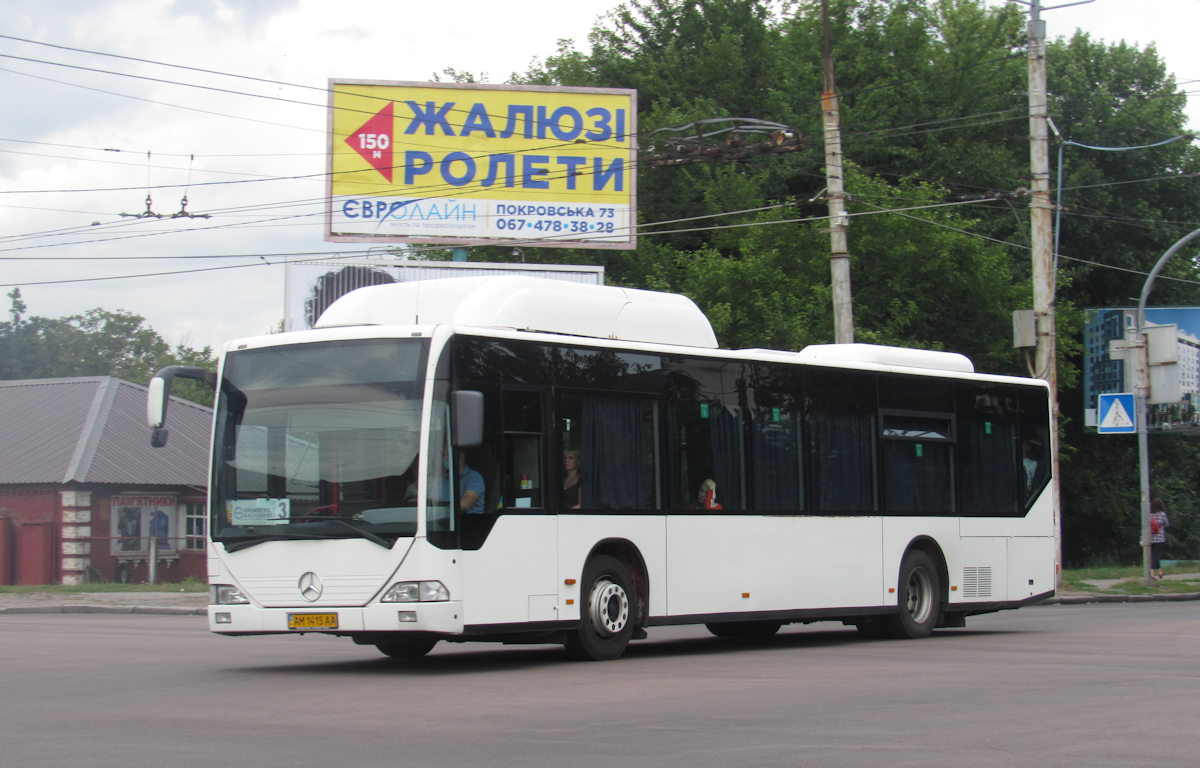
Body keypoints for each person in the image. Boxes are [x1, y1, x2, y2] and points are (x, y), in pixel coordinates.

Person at [439, 449, 486, 515]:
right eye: (443, 456)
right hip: (446, 520)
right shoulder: (443, 479)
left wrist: (441, 510)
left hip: (470, 521)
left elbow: (465, 504)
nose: (444, 459)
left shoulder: (474, 477)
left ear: (461, 457)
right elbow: (434, 502)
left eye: (447, 455)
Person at [1150, 498, 1170, 580]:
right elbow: (1167, 524)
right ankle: (1151, 573)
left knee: (1154, 556)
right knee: (1155, 556)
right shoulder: (1162, 514)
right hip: (1160, 538)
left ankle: (1160, 572)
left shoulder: (1149, 514)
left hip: (1151, 538)